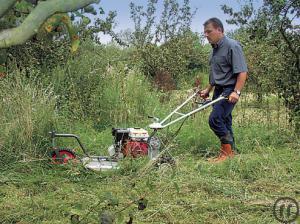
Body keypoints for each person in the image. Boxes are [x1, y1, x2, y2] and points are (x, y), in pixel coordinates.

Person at [200, 17, 248, 163]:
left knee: (215, 119)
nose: (206, 35)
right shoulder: (214, 49)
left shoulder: (233, 46)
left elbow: (242, 72)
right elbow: (215, 73)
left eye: (209, 32)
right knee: (225, 120)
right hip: (218, 89)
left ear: (219, 30)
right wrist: (208, 89)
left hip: (229, 89)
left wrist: (236, 92)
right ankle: (231, 152)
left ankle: (226, 154)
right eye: (205, 33)